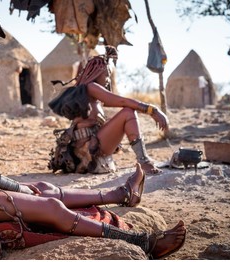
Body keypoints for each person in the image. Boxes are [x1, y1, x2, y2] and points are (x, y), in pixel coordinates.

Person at [0, 13, 186, 259]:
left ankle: (119, 193)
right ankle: (145, 243)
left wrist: (20, 187)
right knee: (49, 205)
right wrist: (14, 186)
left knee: (43, 187)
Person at [49, 46, 169, 175]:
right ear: (96, 73)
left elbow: (120, 103)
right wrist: (153, 110)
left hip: (91, 146)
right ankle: (144, 161)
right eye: (106, 75)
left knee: (127, 113)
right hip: (87, 150)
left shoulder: (92, 97)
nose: (107, 80)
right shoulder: (91, 87)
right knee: (128, 113)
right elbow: (123, 102)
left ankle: (143, 160)